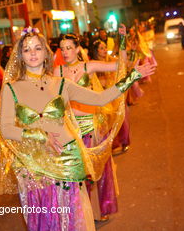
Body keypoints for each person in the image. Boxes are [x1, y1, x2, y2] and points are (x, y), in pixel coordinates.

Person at [0, 27, 155, 230]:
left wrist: (131, 77)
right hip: (35, 164)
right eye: (27, 50)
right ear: (20, 55)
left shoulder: (61, 83)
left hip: (68, 157)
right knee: (45, 217)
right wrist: (39, 135)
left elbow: (100, 98)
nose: (33, 53)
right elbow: (5, 128)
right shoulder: (11, 88)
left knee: (71, 217)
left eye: (37, 48)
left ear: (46, 53)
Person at [53, 29, 128, 221]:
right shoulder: (57, 72)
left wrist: (122, 42)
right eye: (62, 49)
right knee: (79, 175)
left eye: (69, 48)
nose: (66, 52)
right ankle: (82, 214)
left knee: (100, 171)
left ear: (78, 48)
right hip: (72, 129)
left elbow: (120, 65)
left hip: (92, 127)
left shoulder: (89, 67)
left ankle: (103, 209)